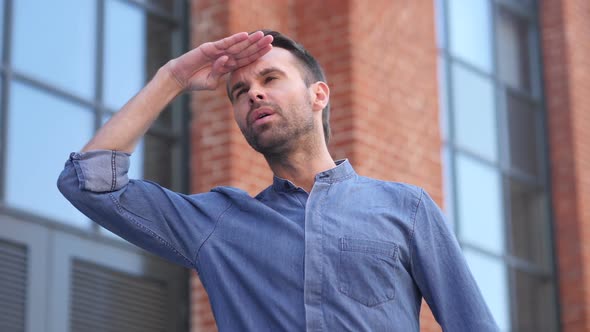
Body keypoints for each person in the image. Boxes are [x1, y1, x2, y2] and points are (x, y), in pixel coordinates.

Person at [58, 30, 499, 331]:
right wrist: (171, 79)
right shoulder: (218, 223)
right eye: (239, 91)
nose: (253, 93)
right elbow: (91, 183)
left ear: (318, 95)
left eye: (270, 78)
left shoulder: (407, 208)